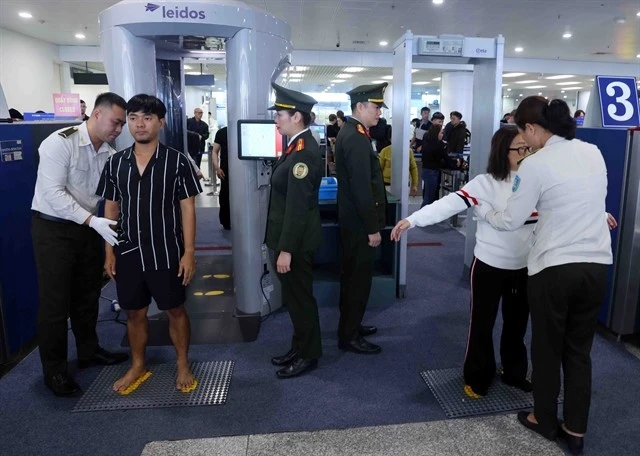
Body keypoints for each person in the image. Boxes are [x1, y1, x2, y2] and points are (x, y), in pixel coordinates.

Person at [482, 97, 614, 455]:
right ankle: (575, 430)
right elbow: (590, 202)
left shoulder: (537, 164)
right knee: (579, 351)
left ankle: (543, 418)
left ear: (531, 128)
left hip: (555, 268)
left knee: (547, 346)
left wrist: (489, 213)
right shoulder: (593, 152)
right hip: (597, 265)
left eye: (525, 133)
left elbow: (511, 218)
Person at [392, 127, 536, 398]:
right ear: (502, 152)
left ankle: (514, 372)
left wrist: (596, 217)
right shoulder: (485, 183)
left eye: (528, 148)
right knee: (481, 324)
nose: (526, 154)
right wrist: (412, 220)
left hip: (525, 267)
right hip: (490, 266)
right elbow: (448, 204)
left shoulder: (537, 182)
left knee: (517, 324)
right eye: (519, 149)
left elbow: (564, 208)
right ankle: (478, 375)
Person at [97, 94, 202, 392]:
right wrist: (109, 250)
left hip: (167, 251)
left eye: (146, 118)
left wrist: (189, 252)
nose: (139, 124)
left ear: (161, 121)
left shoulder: (177, 161)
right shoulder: (117, 163)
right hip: (128, 251)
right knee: (134, 312)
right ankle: (137, 364)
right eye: (132, 118)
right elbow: (111, 208)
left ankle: (182, 362)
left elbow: (187, 208)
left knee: (175, 310)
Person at [31, 92, 129, 397]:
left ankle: (89, 351)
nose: (118, 129)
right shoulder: (60, 142)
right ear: (96, 114)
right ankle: (55, 371)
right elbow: (52, 194)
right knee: (56, 303)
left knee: (87, 295)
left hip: (88, 228)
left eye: (121, 125)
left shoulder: (108, 154)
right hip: (54, 229)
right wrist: (92, 221)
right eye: (115, 122)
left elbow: (113, 195)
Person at [265, 83, 323, 379]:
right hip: (290, 238)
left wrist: (285, 249)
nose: (277, 120)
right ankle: (299, 346)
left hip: (296, 243)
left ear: (297, 117)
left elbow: (298, 207)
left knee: (300, 299)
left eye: (280, 115)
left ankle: (309, 354)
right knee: (295, 298)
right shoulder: (295, 146)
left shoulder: (304, 153)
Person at [335, 83, 387, 354]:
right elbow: (361, 188)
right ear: (361, 106)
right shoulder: (355, 136)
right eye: (376, 107)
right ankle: (349, 335)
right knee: (358, 280)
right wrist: (372, 228)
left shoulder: (355, 132)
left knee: (353, 277)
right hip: (359, 225)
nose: (379, 113)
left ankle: (351, 324)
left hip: (353, 222)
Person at [420, 123, 448, 207]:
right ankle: (421, 216)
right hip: (431, 172)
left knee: (428, 196)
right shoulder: (437, 144)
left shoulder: (427, 141)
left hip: (426, 170)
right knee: (429, 197)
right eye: (441, 133)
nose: (442, 135)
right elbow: (444, 157)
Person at [212, 126, 230, 230]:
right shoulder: (222, 132)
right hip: (225, 170)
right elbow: (215, 151)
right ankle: (226, 221)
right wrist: (217, 168)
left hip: (244, 171)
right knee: (225, 195)